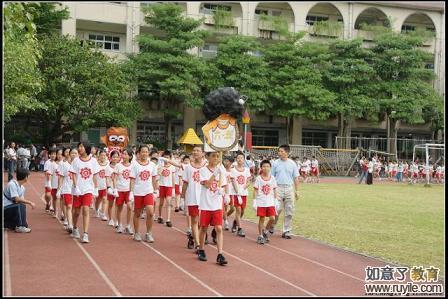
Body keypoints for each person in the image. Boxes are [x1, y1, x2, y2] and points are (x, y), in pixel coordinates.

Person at [197, 151, 228, 266]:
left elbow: (224, 185)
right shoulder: (202, 170)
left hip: (216, 204)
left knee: (219, 228)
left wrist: (224, 193)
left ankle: (220, 254)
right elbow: (206, 185)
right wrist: (215, 174)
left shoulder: (221, 171)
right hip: (206, 204)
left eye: (217, 156)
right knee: (204, 228)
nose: (215, 158)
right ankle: (201, 249)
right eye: (213, 156)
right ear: (208, 157)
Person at [69, 142, 100, 243]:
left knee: (86, 209)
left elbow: (95, 175)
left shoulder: (94, 161)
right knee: (76, 212)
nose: (80, 148)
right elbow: (73, 174)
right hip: (78, 190)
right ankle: (74, 227)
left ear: (87, 148)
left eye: (82, 146)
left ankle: (85, 233)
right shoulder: (76, 161)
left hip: (88, 189)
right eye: (79, 146)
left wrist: (96, 188)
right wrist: (75, 186)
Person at [270, 144, 300, 239]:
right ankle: (272, 225)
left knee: (289, 211)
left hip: (289, 188)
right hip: (278, 187)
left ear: (287, 152)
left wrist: (297, 190)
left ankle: (286, 231)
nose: (279, 153)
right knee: (277, 209)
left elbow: (296, 178)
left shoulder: (292, 164)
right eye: (279, 151)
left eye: (281, 151)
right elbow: (271, 177)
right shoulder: (275, 163)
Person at [129, 144, 158, 242]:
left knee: (150, 212)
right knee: (137, 213)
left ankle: (148, 233)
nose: (145, 153)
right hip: (138, 192)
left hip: (148, 191)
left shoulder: (152, 165)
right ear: (139, 153)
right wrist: (131, 192)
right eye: (143, 152)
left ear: (148, 153)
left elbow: (154, 179)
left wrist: (155, 190)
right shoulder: (134, 165)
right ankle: (137, 232)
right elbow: (132, 180)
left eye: (146, 151)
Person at [181, 145, 207, 251]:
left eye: (198, 150)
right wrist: (183, 197)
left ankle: (192, 237)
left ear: (203, 154)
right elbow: (185, 183)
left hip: (204, 197)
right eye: (194, 150)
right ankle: (197, 244)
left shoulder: (206, 167)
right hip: (192, 196)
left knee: (202, 222)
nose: (195, 152)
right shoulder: (188, 167)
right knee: (195, 220)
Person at [253, 160, 279, 245]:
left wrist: (276, 201)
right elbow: (255, 190)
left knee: (272, 218)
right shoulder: (258, 178)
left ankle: (265, 231)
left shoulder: (273, 178)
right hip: (261, 202)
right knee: (262, 219)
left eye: (267, 166)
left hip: (270, 202)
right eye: (264, 166)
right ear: (261, 168)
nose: (266, 168)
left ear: (270, 168)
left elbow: (274, 189)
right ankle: (260, 236)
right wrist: (255, 201)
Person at [3, 168, 36, 233]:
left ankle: (9, 224)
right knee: (20, 205)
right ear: (25, 177)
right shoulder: (12, 184)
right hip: (5, 207)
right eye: (28, 176)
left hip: (10, 208)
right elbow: (17, 199)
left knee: (22, 205)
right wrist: (30, 202)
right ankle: (20, 226)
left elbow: (20, 200)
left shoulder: (22, 188)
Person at [229, 151, 252, 237]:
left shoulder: (246, 170)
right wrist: (237, 191)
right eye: (238, 158)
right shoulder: (233, 170)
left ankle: (235, 221)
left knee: (242, 211)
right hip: (235, 193)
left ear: (244, 160)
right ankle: (240, 229)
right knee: (238, 210)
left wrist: (243, 188)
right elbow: (233, 181)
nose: (240, 159)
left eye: (241, 158)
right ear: (236, 159)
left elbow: (248, 181)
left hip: (244, 193)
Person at [56, 147, 78, 233]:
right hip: (67, 188)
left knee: (74, 208)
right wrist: (59, 189)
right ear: (69, 154)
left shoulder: (79, 165)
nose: (74, 155)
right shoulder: (64, 165)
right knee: (69, 206)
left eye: (76, 153)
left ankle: (70, 221)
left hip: (76, 189)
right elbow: (61, 177)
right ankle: (70, 225)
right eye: (72, 153)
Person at [113, 149, 134, 233]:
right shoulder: (118, 165)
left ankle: (128, 225)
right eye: (123, 154)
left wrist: (132, 191)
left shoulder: (133, 166)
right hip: (120, 189)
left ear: (130, 156)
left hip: (129, 190)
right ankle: (119, 224)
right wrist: (115, 189)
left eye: (126, 154)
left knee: (129, 207)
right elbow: (114, 178)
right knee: (119, 207)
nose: (124, 156)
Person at [157, 150, 176, 227]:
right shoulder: (160, 166)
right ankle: (160, 216)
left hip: (169, 186)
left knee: (168, 202)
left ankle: (168, 219)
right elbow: (158, 175)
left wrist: (174, 188)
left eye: (167, 157)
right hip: (162, 186)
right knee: (161, 203)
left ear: (170, 158)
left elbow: (173, 178)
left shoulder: (172, 167)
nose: (166, 159)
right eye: (165, 157)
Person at [43, 148, 57, 213]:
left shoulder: (56, 163)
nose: (53, 155)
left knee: (54, 196)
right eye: (52, 154)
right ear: (49, 155)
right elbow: (46, 172)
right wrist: (49, 182)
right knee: (48, 195)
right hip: (48, 181)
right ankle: (48, 203)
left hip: (55, 182)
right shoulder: (47, 162)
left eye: (54, 154)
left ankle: (52, 206)